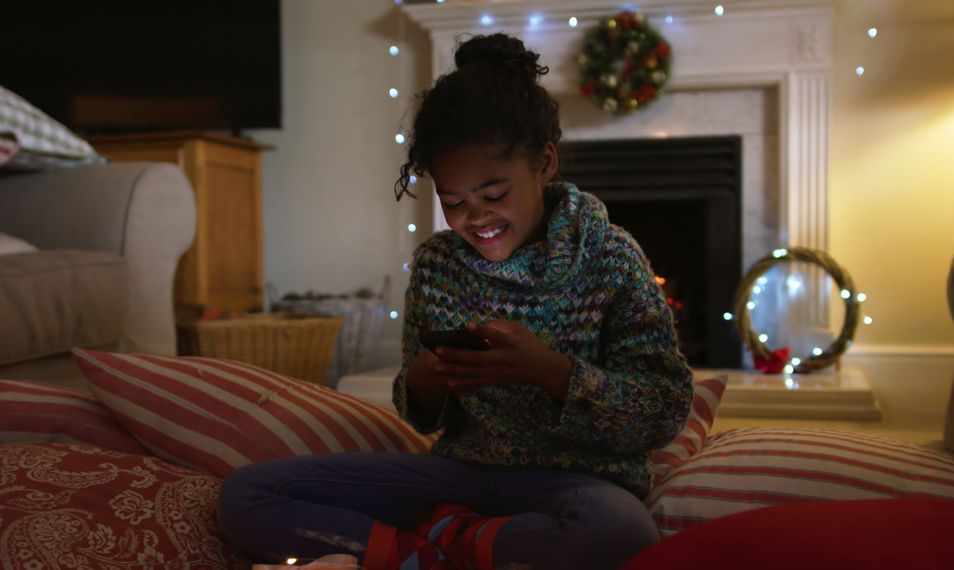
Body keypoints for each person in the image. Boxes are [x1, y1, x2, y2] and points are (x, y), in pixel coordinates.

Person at [218, 33, 693, 570]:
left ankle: (440, 548)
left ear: (544, 162)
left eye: (494, 195)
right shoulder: (437, 264)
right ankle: (443, 550)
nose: (476, 218)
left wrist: (553, 373)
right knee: (246, 497)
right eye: (454, 201)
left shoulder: (609, 255)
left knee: (622, 531)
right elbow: (416, 412)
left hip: (574, 486)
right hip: (458, 478)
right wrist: (426, 377)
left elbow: (664, 410)